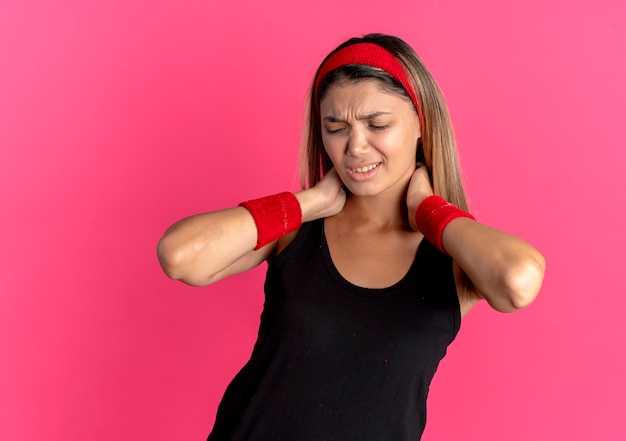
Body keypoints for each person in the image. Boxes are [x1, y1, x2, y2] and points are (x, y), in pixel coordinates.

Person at [157, 33, 546, 441]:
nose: (355, 147)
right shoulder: (293, 232)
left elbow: (518, 281)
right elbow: (179, 255)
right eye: (336, 127)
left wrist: (429, 211)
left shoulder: (454, 259)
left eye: (377, 124)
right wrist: (308, 203)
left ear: (421, 124)